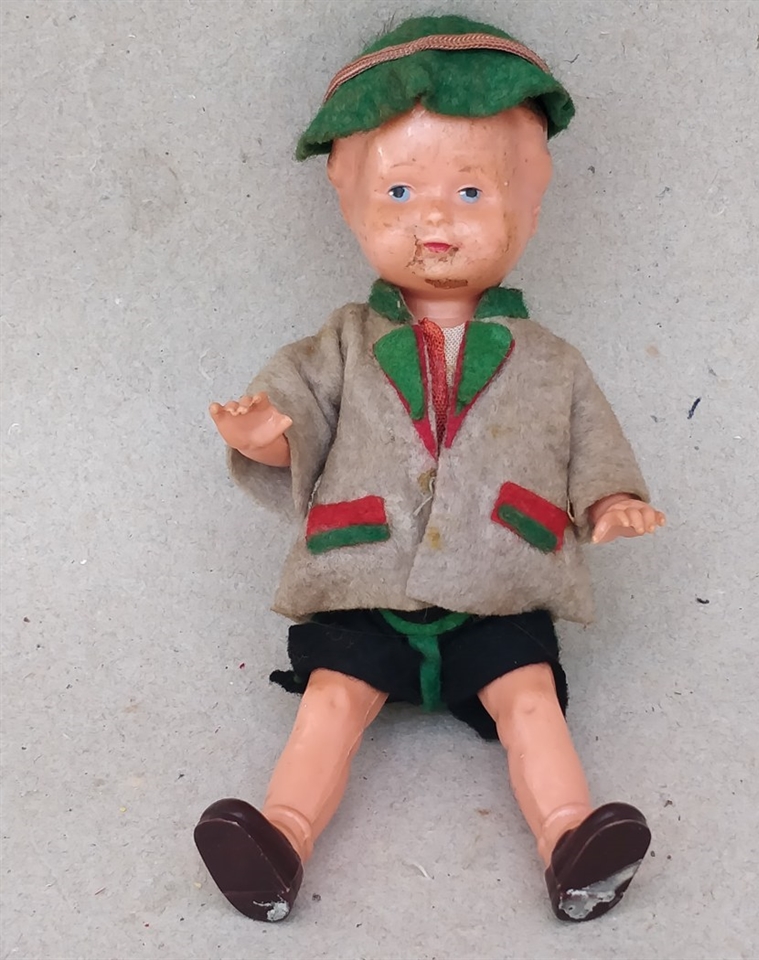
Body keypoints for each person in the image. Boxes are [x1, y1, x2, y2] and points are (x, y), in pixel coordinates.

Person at [194, 14, 666, 924]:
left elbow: (591, 440)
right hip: (364, 581)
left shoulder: (552, 360)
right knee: (332, 700)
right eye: (401, 190)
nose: (435, 220)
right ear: (350, 202)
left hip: (497, 586)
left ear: (530, 206)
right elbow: (297, 414)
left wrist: (611, 499)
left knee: (529, 698)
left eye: (472, 192)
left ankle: (572, 841)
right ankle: (279, 840)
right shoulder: (340, 344)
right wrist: (263, 436)